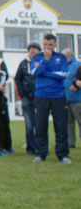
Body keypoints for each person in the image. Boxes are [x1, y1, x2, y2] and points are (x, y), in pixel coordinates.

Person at [31, 34, 71, 164]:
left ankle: (63, 154)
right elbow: (35, 73)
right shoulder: (37, 57)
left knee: (60, 126)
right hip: (41, 96)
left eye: (50, 45)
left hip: (58, 97)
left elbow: (64, 74)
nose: (47, 47)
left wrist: (45, 73)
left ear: (55, 45)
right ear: (43, 45)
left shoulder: (61, 57)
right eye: (45, 45)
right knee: (40, 126)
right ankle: (41, 154)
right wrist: (46, 60)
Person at [15, 42, 41, 155]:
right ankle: (30, 148)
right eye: (31, 48)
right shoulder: (23, 64)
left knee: (41, 123)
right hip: (27, 98)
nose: (33, 50)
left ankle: (41, 147)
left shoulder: (43, 62)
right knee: (29, 124)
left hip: (41, 97)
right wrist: (22, 93)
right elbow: (18, 79)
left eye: (35, 48)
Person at [61, 48, 81, 149]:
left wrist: (76, 86)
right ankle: (71, 143)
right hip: (65, 99)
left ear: (68, 56)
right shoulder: (63, 66)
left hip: (77, 99)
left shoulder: (78, 65)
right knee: (69, 123)